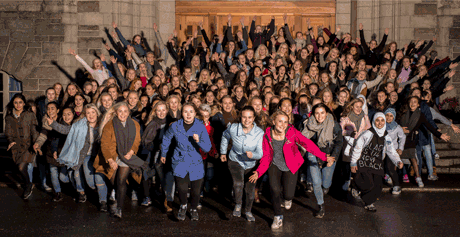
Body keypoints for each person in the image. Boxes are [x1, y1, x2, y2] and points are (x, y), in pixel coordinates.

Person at [249, 111, 329, 229]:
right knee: (274, 190)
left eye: (285, 122)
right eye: (280, 121)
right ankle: (278, 216)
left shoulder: (292, 132)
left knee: (288, 194)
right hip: (274, 164)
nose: (282, 124)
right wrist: (259, 171)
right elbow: (266, 156)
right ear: (273, 121)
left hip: (291, 165)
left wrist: (323, 156)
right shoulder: (267, 135)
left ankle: (287, 199)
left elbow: (307, 144)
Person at [50, 104, 109, 211]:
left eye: (93, 112)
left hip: (100, 156)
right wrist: (53, 124)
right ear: (85, 115)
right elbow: (67, 130)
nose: (91, 115)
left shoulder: (103, 124)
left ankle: (103, 200)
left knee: (96, 180)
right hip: (86, 155)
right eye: (88, 113)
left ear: (97, 113)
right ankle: (85, 192)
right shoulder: (80, 125)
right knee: (87, 180)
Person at [95, 102, 149, 218]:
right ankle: (119, 191)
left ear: (129, 112)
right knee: (114, 181)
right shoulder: (110, 125)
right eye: (120, 111)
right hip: (113, 156)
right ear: (116, 112)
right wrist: (110, 160)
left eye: (125, 111)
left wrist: (131, 152)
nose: (123, 114)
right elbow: (104, 144)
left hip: (126, 156)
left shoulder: (135, 124)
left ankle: (119, 208)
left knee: (121, 181)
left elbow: (136, 141)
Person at [160, 103, 212, 221]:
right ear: (181, 113)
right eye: (185, 112)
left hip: (195, 162)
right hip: (180, 160)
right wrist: (163, 153)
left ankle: (193, 209)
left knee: (195, 190)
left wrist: (198, 141)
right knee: (182, 188)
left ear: (195, 113)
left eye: (191, 112)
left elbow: (207, 148)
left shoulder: (200, 126)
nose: (188, 114)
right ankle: (183, 205)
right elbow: (167, 138)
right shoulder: (175, 126)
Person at [350, 112, 403, 212]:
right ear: (374, 121)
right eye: (377, 120)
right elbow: (357, 148)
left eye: (382, 120)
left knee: (378, 186)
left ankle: (369, 203)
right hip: (364, 162)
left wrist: (398, 161)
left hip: (377, 163)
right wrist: (353, 163)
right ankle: (356, 187)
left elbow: (391, 151)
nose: (380, 123)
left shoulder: (386, 137)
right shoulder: (367, 134)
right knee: (368, 183)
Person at [220, 106, 264, 222]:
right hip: (235, 160)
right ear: (240, 118)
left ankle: (248, 210)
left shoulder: (259, 132)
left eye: (249, 117)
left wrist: (252, 155)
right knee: (238, 183)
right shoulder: (233, 128)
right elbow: (225, 137)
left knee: (249, 190)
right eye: (244, 117)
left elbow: (260, 152)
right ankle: (238, 204)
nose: (246, 120)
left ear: (254, 118)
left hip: (251, 164)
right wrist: (223, 152)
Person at [301, 103, 343, 218]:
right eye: (317, 113)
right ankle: (321, 206)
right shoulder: (308, 124)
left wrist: (333, 157)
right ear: (313, 114)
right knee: (316, 182)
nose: (319, 116)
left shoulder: (334, 125)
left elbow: (339, 142)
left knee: (326, 183)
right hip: (313, 154)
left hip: (329, 154)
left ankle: (325, 188)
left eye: (322, 113)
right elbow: (302, 140)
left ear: (327, 113)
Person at [5, 94, 39, 199]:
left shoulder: (30, 115)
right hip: (16, 147)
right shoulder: (9, 117)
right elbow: (8, 132)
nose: (18, 105)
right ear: (13, 104)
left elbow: (34, 130)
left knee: (21, 167)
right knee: (21, 168)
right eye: (15, 102)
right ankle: (28, 183)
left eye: (20, 102)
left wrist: (36, 142)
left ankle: (28, 185)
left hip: (28, 146)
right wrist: (10, 141)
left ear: (24, 103)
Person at [384, 108, 406, 194]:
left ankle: (396, 186)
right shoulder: (381, 124)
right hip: (382, 149)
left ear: (394, 117)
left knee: (390, 167)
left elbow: (402, 137)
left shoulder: (397, 127)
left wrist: (400, 148)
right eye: (387, 115)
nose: (388, 118)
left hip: (392, 150)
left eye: (391, 116)